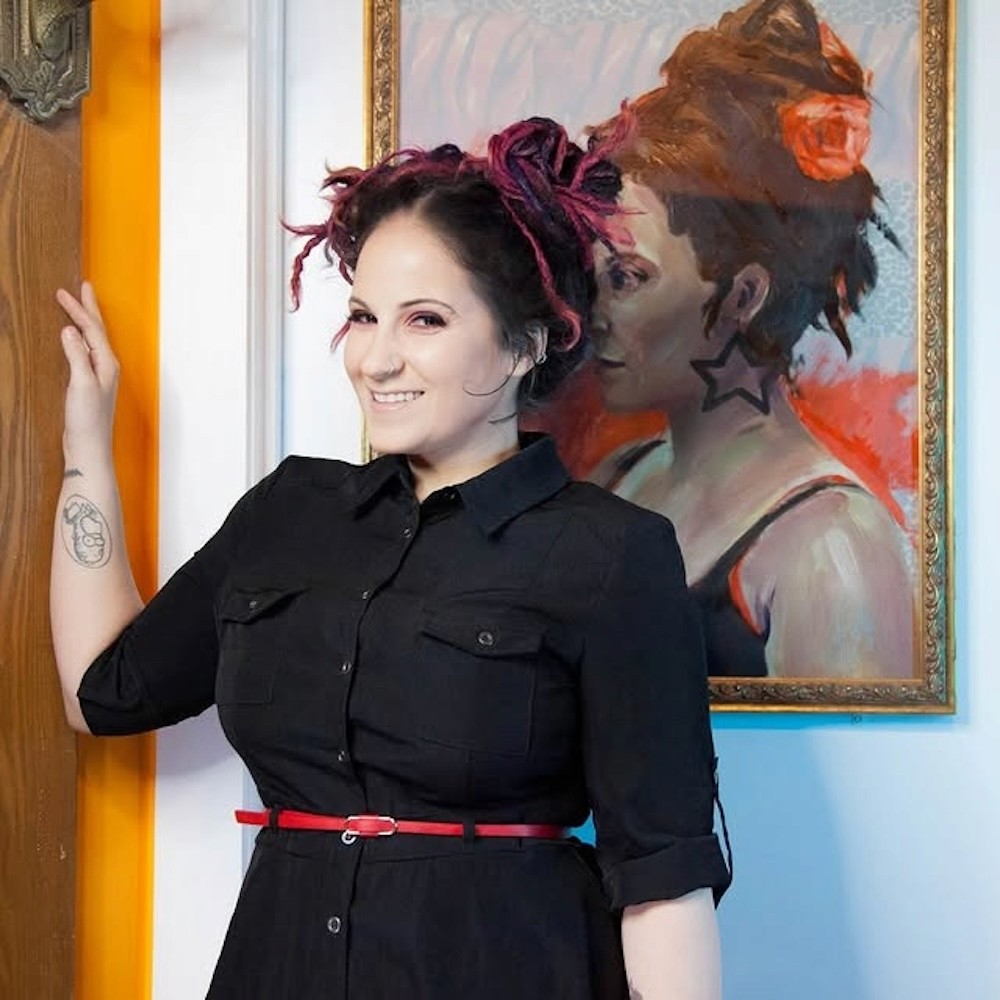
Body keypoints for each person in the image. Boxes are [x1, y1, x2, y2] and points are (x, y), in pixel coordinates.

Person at [51, 117, 731, 999]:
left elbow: (662, 881)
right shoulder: (288, 512)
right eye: (365, 316)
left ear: (529, 342)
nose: (376, 358)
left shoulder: (613, 554)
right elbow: (99, 692)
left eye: (426, 320)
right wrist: (86, 444)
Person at [585, 0, 915, 680]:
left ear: (743, 295)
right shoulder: (615, 481)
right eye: (589, 273)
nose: (590, 311)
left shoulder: (833, 548)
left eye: (626, 277)